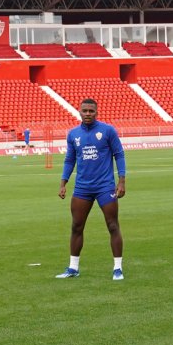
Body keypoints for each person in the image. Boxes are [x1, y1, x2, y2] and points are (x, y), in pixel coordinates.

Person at [56, 99, 127, 280]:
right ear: (79, 112)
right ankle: (73, 268)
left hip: (105, 186)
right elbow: (70, 160)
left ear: (97, 112)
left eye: (91, 111)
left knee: (112, 225)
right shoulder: (73, 134)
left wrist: (121, 181)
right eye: (85, 111)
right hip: (82, 188)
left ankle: (117, 268)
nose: (88, 114)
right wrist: (63, 183)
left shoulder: (108, 131)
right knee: (76, 226)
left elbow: (119, 154)